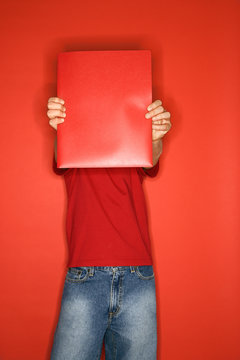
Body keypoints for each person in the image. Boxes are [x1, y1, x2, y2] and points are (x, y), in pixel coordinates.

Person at [47, 96, 171, 360]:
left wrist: (156, 135)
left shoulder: (133, 147)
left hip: (139, 278)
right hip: (84, 277)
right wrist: (60, 126)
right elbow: (60, 152)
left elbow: (152, 158)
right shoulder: (74, 152)